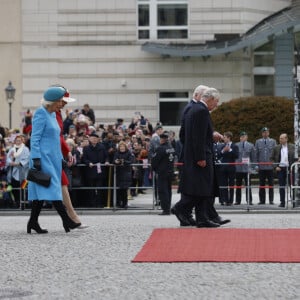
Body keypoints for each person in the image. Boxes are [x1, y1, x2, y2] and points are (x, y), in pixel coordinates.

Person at [27, 86, 81, 234]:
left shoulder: (53, 115)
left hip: (53, 159)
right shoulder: (40, 113)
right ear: (51, 101)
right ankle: (67, 221)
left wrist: (61, 158)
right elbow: (35, 138)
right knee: (53, 189)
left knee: (41, 192)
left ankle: (32, 222)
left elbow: (55, 140)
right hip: (42, 158)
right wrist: (36, 158)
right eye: (60, 101)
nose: (62, 104)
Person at [175, 88, 223, 228]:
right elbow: (197, 137)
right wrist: (200, 157)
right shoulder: (201, 111)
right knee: (201, 189)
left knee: (203, 189)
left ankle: (202, 218)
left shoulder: (194, 109)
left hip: (196, 155)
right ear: (210, 99)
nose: (217, 105)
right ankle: (181, 208)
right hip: (201, 156)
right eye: (216, 101)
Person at [55, 90, 87, 226]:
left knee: (61, 184)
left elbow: (60, 136)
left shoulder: (58, 113)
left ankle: (71, 218)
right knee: (44, 189)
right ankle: (71, 218)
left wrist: (67, 151)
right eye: (63, 101)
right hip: (48, 155)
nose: (64, 105)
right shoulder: (47, 113)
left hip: (55, 154)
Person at [82, 132, 109, 207]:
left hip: (100, 170)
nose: (94, 140)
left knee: (100, 188)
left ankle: (100, 203)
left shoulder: (102, 147)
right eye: (93, 138)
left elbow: (106, 156)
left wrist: (106, 161)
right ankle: (92, 203)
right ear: (90, 139)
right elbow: (84, 159)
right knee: (91, 188)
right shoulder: (86, 148)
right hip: (91, 170)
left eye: (96, 138)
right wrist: (88, 163)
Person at [151, 131, 175, 215]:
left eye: (161, 139)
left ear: (162, 139)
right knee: (168, 190)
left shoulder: (160, 148)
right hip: (170, 172)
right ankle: (168, 207)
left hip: (162, 172)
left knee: (162, 191)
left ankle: (165, 209)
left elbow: (154, 161)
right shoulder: (171, 147)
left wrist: (154, 169)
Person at [270, 133, 296, 208]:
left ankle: (293, 201)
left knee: (292, 185)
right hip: (280, 168)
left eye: (282, 138)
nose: (280, 140)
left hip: (290, 168)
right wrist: (275, 166)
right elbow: (271, 158)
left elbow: (297, 156)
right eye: (280, 138)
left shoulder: (293, 147)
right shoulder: (276, 148)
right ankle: (282, 202)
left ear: (286, 139)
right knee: (281, 186)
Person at [6, 135, 30, 208]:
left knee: (23, 187)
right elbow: (8, 157)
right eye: (17, 140)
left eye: (20, 140)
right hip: (13, 171)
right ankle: (17, 202)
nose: (18, 142)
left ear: (22, 141)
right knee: (14, 187)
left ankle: (23, 203)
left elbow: (26, 159)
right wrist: (11, 162)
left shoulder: (25, 149)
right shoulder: (12, 149)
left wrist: (18, 163)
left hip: (23, 172)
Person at [255, 127, 277, 204]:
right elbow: (256, 154)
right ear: (262, 133)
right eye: (264, 132)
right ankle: (262, 200)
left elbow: (275, 154)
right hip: (261, 167)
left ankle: (271, 200)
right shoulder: (258, 142)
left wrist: (274, 165)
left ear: (269, 133)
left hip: (270, 167)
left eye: (266, 132)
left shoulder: (273, 141)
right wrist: (256, 165)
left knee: (271, 184)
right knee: (261, 185)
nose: (265, 133)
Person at [234, 131, 256, 205]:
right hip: (238, 168)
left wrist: (253, 168)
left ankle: (249, 200)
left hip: (247, 169)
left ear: (247, 137)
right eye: (241, 136)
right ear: (240, 138)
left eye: (244, 136)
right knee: (238, 186)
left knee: (248, 185)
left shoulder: (251, 145)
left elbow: (253, 158)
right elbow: (234, 157)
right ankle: (237, 200)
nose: (243, 138)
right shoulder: (236, 145)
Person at [218, 131, 239, 206]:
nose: (223, 139)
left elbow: (236, 156)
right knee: (224, 185)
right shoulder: (222, 146)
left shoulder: (234, 146)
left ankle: (230, 201)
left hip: (231, 168)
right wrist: (224, 150)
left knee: (231, 184)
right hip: (223, 168)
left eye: (225, 137)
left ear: (229, 138)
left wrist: (230, 150)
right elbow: (219, 155)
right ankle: (225, 200)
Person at [113, 141, 134, 208]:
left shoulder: (128, 153)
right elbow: (114, 160)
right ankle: (119, 203)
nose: (122, 148)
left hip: (126, 173)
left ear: (125, 147)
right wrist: (116, 161)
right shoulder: (117, 153)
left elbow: (131, 161)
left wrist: (123, 161)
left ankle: (125, 203)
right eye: (120, 146)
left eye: (123, 146)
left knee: (124, 189)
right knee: (119, 189)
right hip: (119, 173)